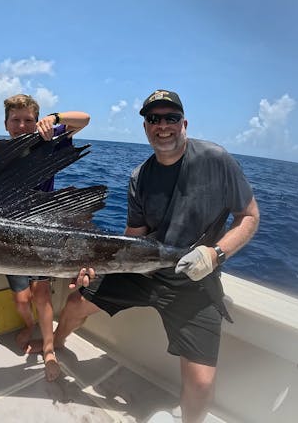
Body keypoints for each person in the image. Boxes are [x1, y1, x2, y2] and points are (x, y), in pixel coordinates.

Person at [53, 89, 260, 422]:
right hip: (143, 273)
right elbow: (133, 240)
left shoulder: (216, 160)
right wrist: (92, 264)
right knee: (76, 303)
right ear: (145, 127)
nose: (162, 126)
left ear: (184, 123)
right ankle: (56, 348)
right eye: (153, 119)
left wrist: (215, 253)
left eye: (171, 118)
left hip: (195, 283)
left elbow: (249, 216)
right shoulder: (140, 177)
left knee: (201, 383)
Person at [3, 93, 90, 382]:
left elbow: (85, 119)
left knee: (41, 292)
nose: (22, 125)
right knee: (21, 299)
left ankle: (49, 348)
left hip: (41, 231)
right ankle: (29, 325)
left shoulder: (49, 143)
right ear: (6, 124)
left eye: (28, 119)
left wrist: (54, 120)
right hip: (6, 236)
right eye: (15, 120)